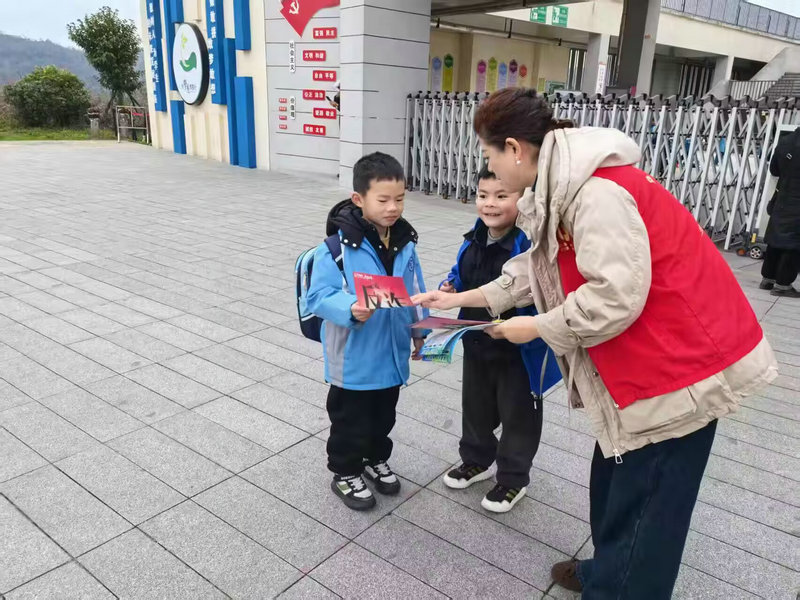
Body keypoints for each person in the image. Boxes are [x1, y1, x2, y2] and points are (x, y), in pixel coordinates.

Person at [413, 88, 778, 599]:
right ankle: (607, 572)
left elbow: (614, 296)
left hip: (677, 370)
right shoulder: (561, 187)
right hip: (643, 362)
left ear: (515, 149)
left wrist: (536, 327)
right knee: (614, 482)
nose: (489, 166)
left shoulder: (596, 192)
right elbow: (532, 271)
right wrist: (464, 298)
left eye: (490, 154)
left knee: (649, 508)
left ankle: (621, 587)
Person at [307, 152, 428, 511]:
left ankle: (375, 458)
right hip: (354, 358)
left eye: (401, 199)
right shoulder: (336, 248)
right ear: (359, 200)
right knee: (350, 420)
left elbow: (414, 288)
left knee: (383, 415)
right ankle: (345, 471)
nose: (394, 207)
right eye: (384, 200)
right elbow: (319, 296)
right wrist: (350, 309)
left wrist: (419, 332)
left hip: (391, 353)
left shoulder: (405, 241)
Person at [440, 165, 561, 513]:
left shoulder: (530, 244)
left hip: (520, 352)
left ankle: (512, 478)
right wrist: (451, 286)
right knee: (475, 407)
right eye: (482, 195)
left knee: (519, 415)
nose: (489, 204)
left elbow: (543, 292)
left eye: (501, 196)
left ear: (523, 200)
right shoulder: (473, 237)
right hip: (477, 342)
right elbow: (461, 275)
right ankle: (476, 459)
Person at [760, 126, 800, 298]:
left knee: (776, 241)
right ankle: (783, 285)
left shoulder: (785, 141)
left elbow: (774, 170)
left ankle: (768, 278)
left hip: (781, 198)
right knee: (793, 245)